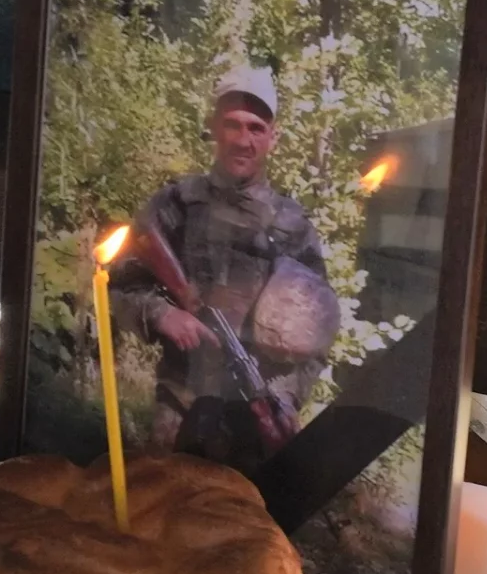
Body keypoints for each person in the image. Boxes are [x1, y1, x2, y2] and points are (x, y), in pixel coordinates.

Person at [110, 66, 336, 476]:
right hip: (181, 402)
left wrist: (284, 398)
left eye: (256, 127)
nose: (243, 140)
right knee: (164, 501)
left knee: (250, 508)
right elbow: (117, 286)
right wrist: (163, 314)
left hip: (256, 409)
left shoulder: (294, 226)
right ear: (214, 127)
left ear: (273, 137)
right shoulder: (176, 204)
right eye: (232, 124)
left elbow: (317, 335)